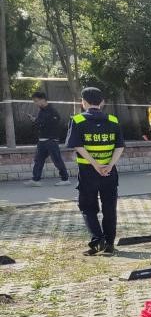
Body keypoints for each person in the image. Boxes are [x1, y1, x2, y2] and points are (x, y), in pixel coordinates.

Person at [66, 87, 125, 255]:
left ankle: (98, 240)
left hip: (88, 172)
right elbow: (120, 146)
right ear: (102, 102)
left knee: (87, 207)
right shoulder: (113, 120)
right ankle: (109, 244)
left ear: (83, 102)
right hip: (109, 173)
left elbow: (78, 146)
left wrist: (95, 164)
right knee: (109, 208)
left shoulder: (77, 120)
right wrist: (109, 165)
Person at [27, 90, 70, 185]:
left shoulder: (52, 111)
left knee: (57, 160)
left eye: (36, 101)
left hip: (51, 140)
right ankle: (36, 180)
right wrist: (35, 120)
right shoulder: (41, 111)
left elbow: (53, 123)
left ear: (43, 99)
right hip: (42, 140)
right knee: (38, 160)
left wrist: (38, 122)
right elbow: (41, 123)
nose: (35, 103)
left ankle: (65, 179)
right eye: (34, 101)